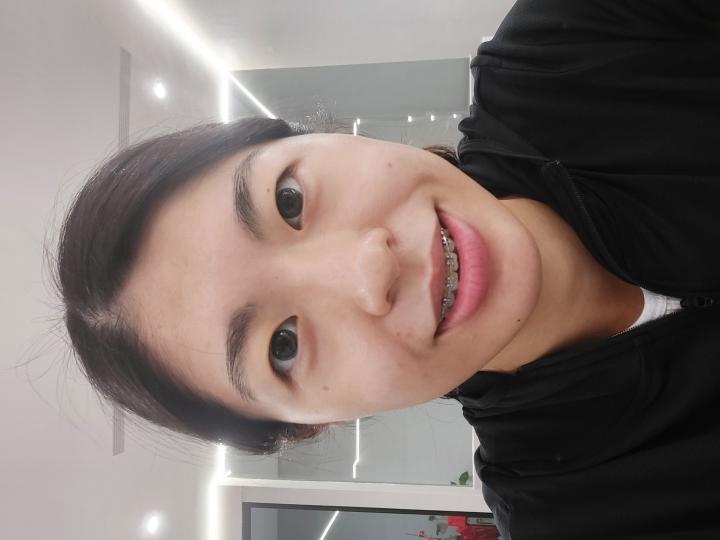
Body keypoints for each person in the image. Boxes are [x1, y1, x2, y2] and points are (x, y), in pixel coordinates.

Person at [53, 0, 720, 538]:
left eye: (289, 200)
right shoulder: (575, 519)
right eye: (282, 345)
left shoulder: (573, 44)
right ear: (313, 424)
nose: (369, 269)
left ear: (312, 138)